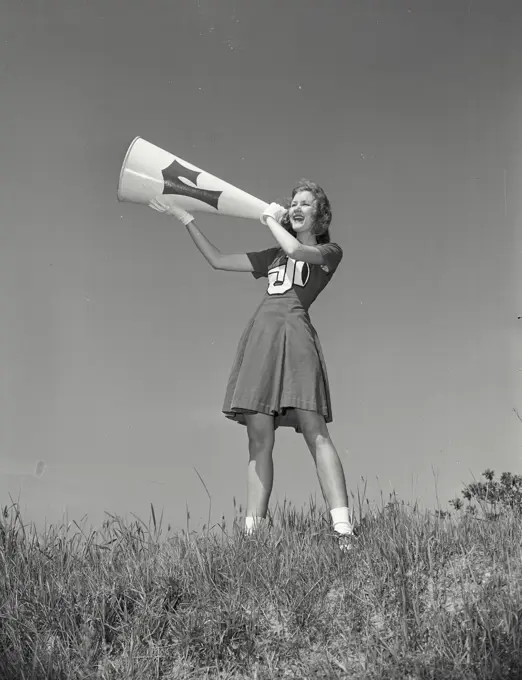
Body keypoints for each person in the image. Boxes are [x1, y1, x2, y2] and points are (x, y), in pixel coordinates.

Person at [150, 180, 356, 551]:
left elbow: (296, 249)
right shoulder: (272, 254)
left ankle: (342, 530)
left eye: (304, 204)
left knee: (315, 429)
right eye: (292, 202)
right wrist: (185, 219)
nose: (295, 207)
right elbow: (217, 260)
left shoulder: (328, 250)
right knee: (258, 437)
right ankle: (252, 538)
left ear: (319, 214)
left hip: (296, 337)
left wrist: (269, 219)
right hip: (260, 338)